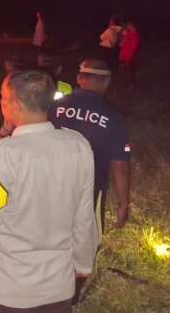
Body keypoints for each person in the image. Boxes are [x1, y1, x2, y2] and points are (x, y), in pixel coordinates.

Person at [0, 70, 98, 313]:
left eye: (2, 98)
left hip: (10, 290)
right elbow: (85, 215)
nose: (0, 103)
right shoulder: (79, 145)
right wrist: (84, 263)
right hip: (59, 286)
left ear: (16, 106)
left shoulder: (1, 154)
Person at [50, 58, 131, 234]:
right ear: (107, 82)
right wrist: (123, 203)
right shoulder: (114, 118)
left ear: (79, 79)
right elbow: (120, 166)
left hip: (50, 182)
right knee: (87, 241)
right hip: (91, 188)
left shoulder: (53, 107)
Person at [119, 21, 140, 88]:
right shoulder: (128, 34)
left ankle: (131, 86)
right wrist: (123, 36)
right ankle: (125, 84)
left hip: (130, 58)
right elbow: (121, 44)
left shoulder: (135, 35)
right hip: (123, 56)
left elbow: (133, 49)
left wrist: (128, 59)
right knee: (124, 72)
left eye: (128, 25)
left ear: (132, 26)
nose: (127, 27)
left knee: (130, 72)